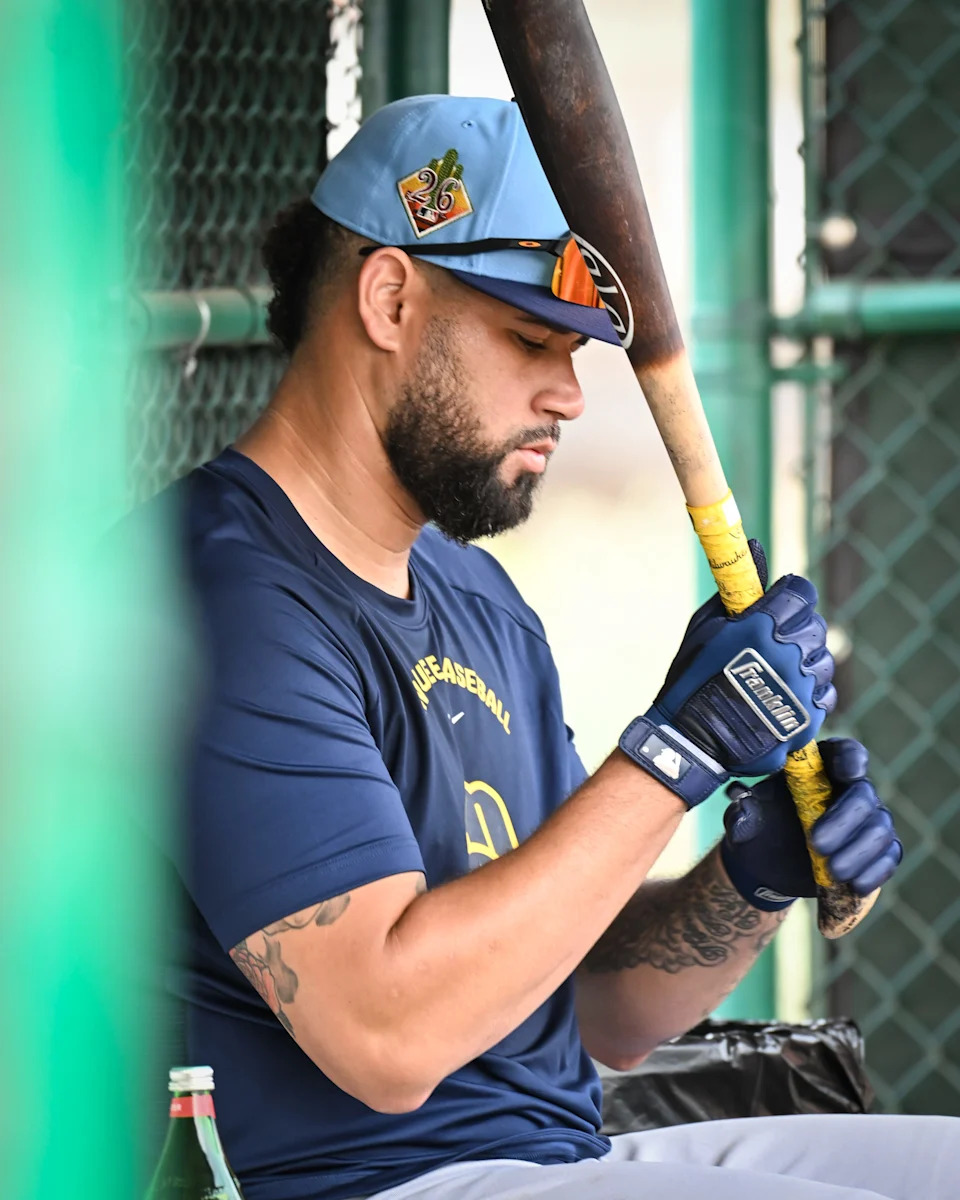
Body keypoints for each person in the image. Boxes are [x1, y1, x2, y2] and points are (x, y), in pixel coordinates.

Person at [156, 95, 942, 1200]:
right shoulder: (214, 598)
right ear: (390, 299)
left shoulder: (474, 593)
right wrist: (676, 755)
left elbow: (604, 1011)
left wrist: (750, 878)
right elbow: (385, 1037)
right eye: (531, 340)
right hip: (367, 1180)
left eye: (574, 349)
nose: (569, 395)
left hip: (561, 1155)